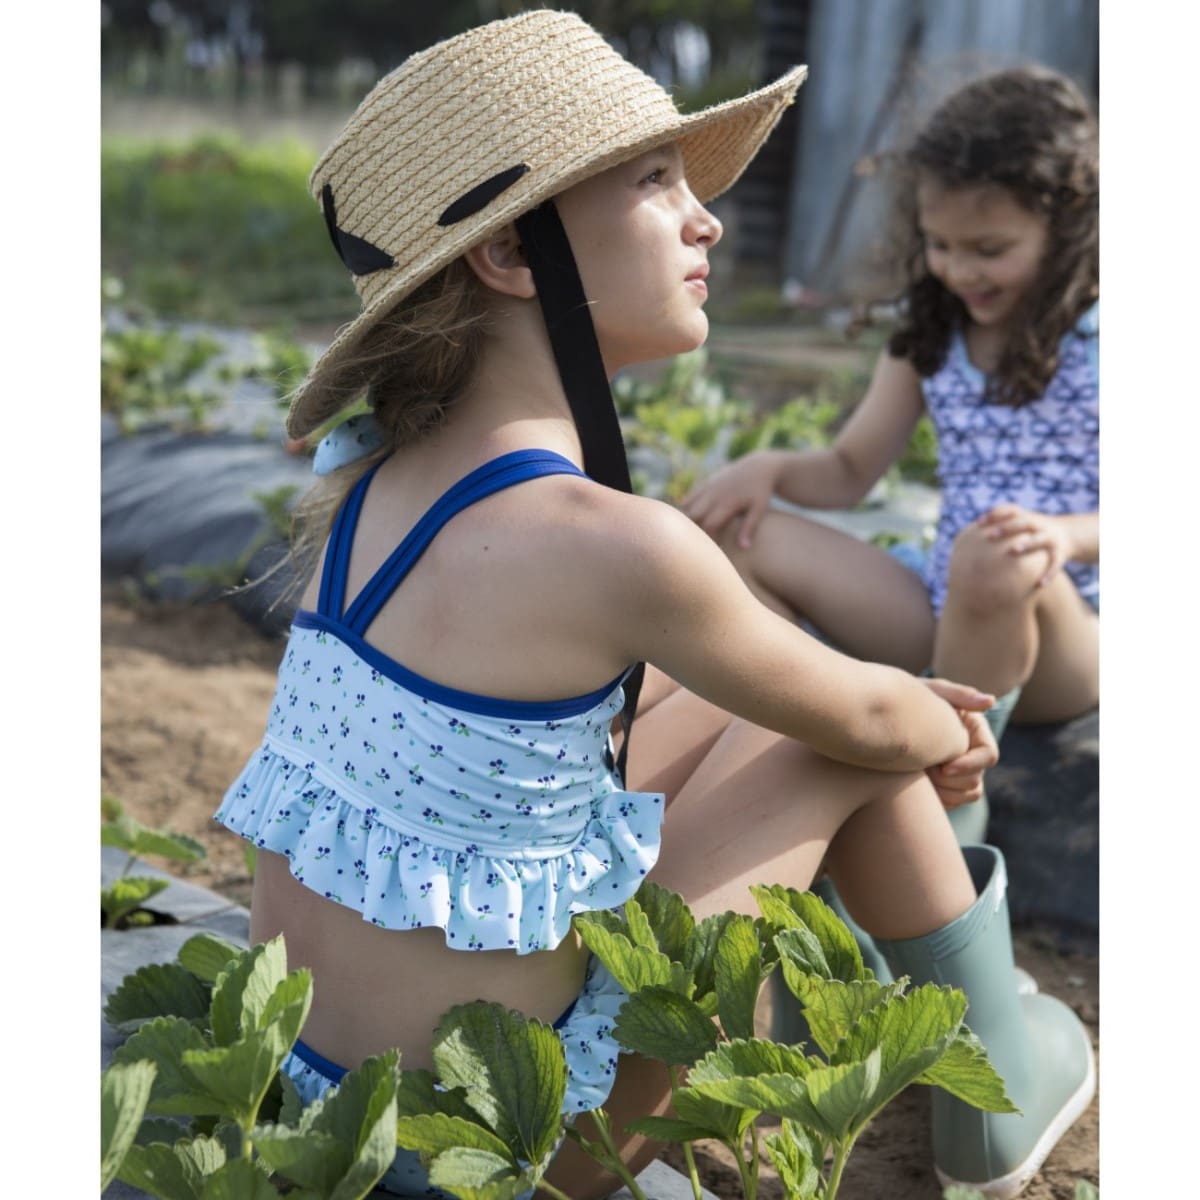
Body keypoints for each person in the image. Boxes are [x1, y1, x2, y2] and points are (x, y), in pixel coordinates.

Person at [214, 17, 1093, 1199]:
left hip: (322, 1106)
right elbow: (874, 723)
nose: (705, 219)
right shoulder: (615, 545)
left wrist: (877, 705)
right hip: (516, 1152)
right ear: (512, 255)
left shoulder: (373, 482)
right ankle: (995, 1094)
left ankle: (878, 1000)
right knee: (850, 739)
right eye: (654, 182)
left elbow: (634, 705)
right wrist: (941, 728)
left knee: (764, 700)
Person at [682, 66, 1099, 811]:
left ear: (1067, 226)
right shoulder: (934, 337)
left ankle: (950, 789)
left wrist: (1064, 535)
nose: (959, 270)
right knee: (732, 532)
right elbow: (849, 470)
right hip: (943, 606)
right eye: (940, 245)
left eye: (989, 248)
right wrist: (769, 468)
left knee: (993, 555)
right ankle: (784, 734)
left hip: (1071, 633)